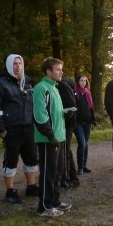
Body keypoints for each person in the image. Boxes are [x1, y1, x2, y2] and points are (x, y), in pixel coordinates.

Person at [0, 54, 39, 204]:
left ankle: (31, 187)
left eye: (20, 63)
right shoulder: (1, 84)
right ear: (9, 66)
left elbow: (33, 104)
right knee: (11, 160)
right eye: (15, 64)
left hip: (29, 127)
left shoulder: (27, 82)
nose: (18, 66)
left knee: (31, 158)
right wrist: (1, 128)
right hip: (11, 129)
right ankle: (10, 191)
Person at [33, 57, 71, 217]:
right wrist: (50, 135)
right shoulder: (41, 88)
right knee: (48, 173)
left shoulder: (55, 88)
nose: (61, 72)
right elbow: (40, 115)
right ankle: (44, 206)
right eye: (58, 69)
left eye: (61, 69)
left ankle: (55, 201)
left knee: (58, 172)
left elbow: (54, 113)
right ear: (48, 72)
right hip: (48, 139)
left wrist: (67, 114)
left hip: (60, 137)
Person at [56, 77, 80, 188]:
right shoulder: (63, 85)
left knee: (65, 150)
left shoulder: (62, 86)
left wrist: (64, 121)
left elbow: (71, 107)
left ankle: (69, 178)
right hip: (68, 123)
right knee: (66, 150)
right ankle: (69, 178)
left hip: (66, 124)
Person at [74, 74, 96, 175]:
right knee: (82, 144)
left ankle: (84, 166)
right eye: (81, 81)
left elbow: (91, 109)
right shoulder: (75, 93)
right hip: (78, 123)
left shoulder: (88, 93)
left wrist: (93, 120)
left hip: (87, 122)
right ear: (78, 82)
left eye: (85, 81)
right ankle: (80, 167)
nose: (83, 82)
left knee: (86, 144)